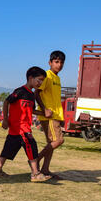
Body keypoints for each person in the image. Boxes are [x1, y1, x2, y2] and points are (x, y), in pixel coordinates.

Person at [0, 67, 52, 182]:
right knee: (31, 145)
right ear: (30, 78)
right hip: (20, 127)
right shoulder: (20, 91)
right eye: (39, 80)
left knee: (9, 148)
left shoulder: (31, 95)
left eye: (42, 81)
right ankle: (35, 173)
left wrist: (44, 113)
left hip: (19, 129)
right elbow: (6, 101)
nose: (40, 83)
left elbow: (31, 110)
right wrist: (5, 119)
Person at [35, 50, 66, 180]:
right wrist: (45, 109)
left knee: (51, 144)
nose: (59, 65)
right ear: (50, 63)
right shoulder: (46, 76)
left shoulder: (57, 78)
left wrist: (61, 117)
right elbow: (36, 93)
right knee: (58, 140)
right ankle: (35, 160)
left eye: (61, 62)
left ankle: (45, 169)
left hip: (56, 115)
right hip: (49, 116)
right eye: (56, 62)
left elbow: (55, 99)